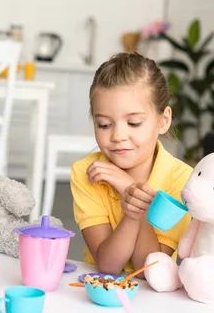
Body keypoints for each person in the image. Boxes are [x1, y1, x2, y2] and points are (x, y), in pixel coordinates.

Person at [70, 52, 193, 276]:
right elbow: (108, 266)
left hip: (156, 299)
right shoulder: (86, 172)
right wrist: (132, 213)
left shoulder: (182, 179)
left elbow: (149, 271)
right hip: (97, 291)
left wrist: (131, 191)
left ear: (164, 120)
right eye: (104, 124)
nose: (118, 135)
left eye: (134, 123)